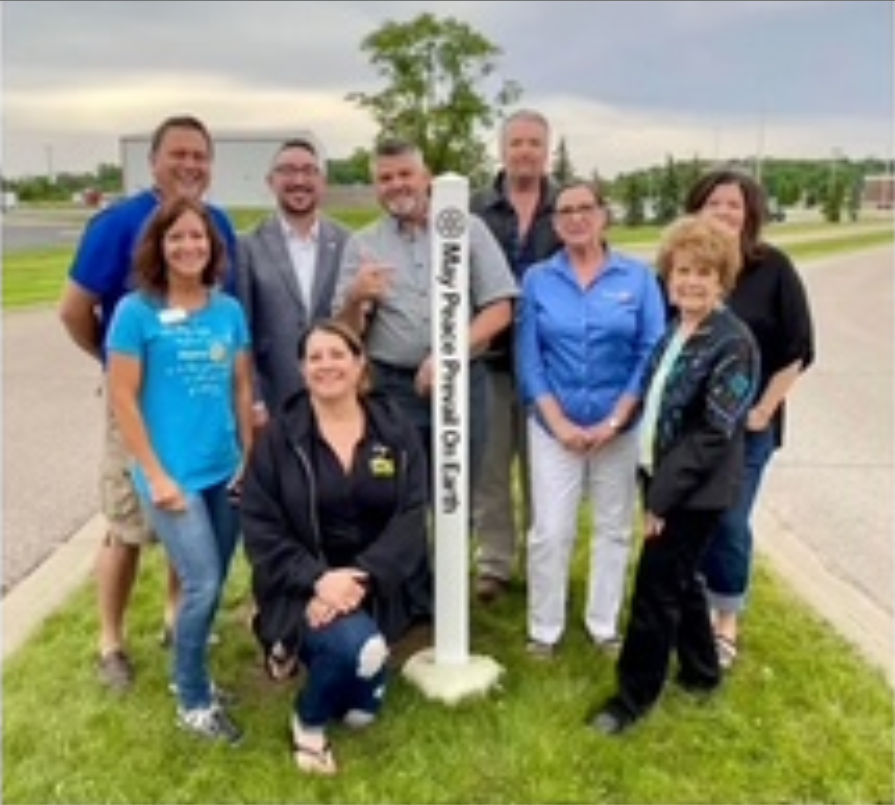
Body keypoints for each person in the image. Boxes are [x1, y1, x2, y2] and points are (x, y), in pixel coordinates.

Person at [57, 113, 239, 690]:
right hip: (135, 403)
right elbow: (73, 310)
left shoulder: (220, 224)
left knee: (195, 521)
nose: (189, 166)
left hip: (200, 404)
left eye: (199, 157)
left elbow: (220, 312)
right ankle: (110, 642)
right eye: (178, 155)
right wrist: (119, 373)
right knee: (127, 527)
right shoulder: (117, 224)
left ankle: (173, 619)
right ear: (153, 162)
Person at [589, 214, 760, 736]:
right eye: (682, 270)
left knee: (656, 590)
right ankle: (703, 675)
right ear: (668, 274)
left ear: (721, 280)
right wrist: (615, 421)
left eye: (703, 272)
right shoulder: (679, 329)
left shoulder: (734, 343)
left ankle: (631, 700)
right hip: (660, 476)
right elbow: (649, 387)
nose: (690, 280)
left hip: (692, 492)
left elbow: (714, 433)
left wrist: (660, 500)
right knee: (684, 583)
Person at [240, 319, 433, 775]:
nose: (327, 365)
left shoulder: (395, 430)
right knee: (360, 651)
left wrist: (358, 579)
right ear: (302, 369)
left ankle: (303, 651)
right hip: (299, 586)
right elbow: (261, 529)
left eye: (337, 354)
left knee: (363, 716)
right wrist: (319, 580)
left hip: (374, 583)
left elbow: (411, 518)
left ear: (359, 363)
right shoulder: (279, 441)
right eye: (315, 357)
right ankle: (307, 724)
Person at [105, 195, 253, 743]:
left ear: (212, 246)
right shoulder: (136, 311)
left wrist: (248, 458)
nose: (189, 246)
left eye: (199, 237)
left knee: (213, 586)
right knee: (202, 582)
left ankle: (195, 677)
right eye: (177, 237)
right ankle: (192, 701)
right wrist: (156, 475)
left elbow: (241, 387)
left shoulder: (228, 310)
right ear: (159, 246)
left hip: (224, 470)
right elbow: (123, 398)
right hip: (171, 478)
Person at [517, 179, 666, 658]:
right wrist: (557, 422)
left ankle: (603, 624)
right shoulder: (538, 279)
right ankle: (545, 629)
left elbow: (651, 351)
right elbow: (529, 357)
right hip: (553, 428)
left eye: (586, 208)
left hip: (618, 429)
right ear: (555, 224)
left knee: (614, 527)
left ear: (604, 215)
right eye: (565, 212)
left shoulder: (638, 278)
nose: (576, 218)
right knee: (551, 531)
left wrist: (617, 419)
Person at [683, 168, 815, 669]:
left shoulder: (773, 268)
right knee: (689, 519)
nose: (723, 212)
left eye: (733, 205)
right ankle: (689, 610)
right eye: (713, 203)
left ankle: (726, 620)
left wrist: (764, 409)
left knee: (730, 520)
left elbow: (799, 348)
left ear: (749, 214)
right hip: (692, 428)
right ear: (698, 209)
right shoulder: (683, 267)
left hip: (749, 429)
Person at [333, 137, 518, 484]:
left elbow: (500, 307)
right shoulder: (363, 244)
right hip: (393, 388)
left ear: (426, 177)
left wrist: (449, 356)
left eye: (406, 174)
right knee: (397, 496)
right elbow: (345, 333)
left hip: (463, 381)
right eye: (385, 179)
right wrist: (355, 297)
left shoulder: (467, 229)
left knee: (458, 495)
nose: (396, 185)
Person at [470, 109, 563, 604]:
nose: (525, 151)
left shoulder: (564, 208)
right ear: (502, 149)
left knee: (543, 471)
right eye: (517, 142)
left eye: (535, 143)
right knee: (490, 469)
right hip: (489, 361)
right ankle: (495, 563)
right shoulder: (475, 208)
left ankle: (541, 559)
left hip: (548, 365)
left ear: (546, 151)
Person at [237, 137, 351, 425]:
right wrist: (253, 398)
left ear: (322, 182)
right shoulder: (247, 246)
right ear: (271, 181)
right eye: (287, 171)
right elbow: (242, 330)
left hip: (337, 396)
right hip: (275, 401)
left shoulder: (350, 243)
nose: (298, 180)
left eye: (308, 171)